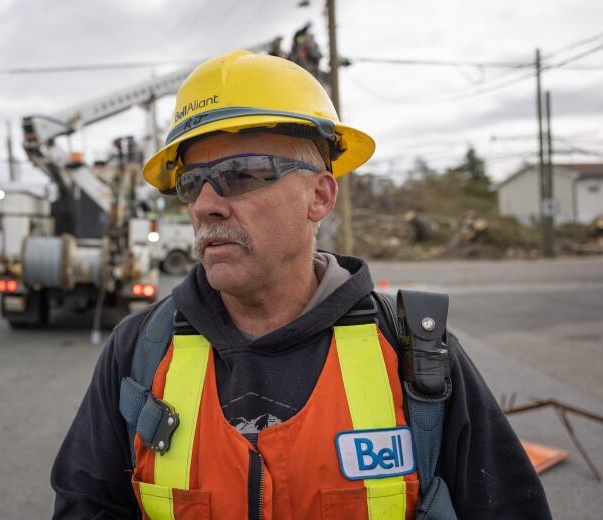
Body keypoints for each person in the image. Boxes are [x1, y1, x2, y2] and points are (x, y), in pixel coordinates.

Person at [51, 50, 551, 519]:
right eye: (190, 182)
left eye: (240, 173)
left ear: (319, 195)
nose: (205, 204)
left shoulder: (415, 357)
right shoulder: (139, 351)